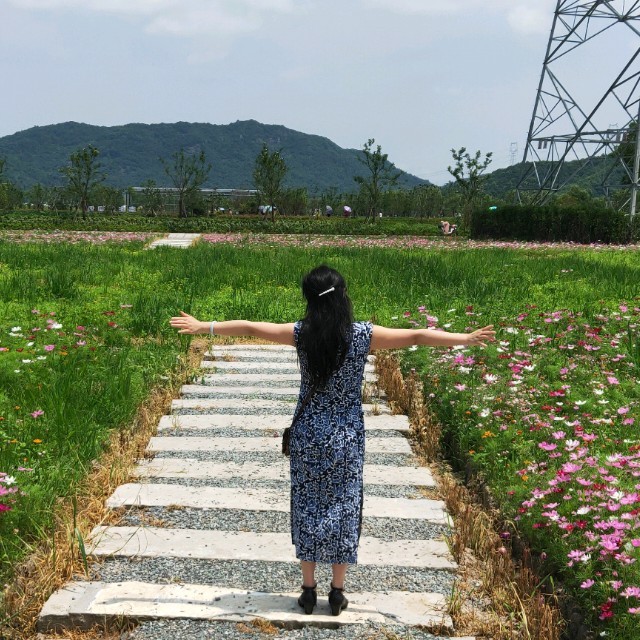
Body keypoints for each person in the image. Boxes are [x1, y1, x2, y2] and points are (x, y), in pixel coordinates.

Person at [169, 265, 494, 617]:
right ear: (343, 296)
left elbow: (251, 327)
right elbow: (416, 335)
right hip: (345, 436)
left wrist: (205, 326)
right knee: (344, 506)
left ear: (309, 299)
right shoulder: (361, 335)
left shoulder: (301, 333)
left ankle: (308, 591)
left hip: (308, 432)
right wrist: (465, 338)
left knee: (307, 504)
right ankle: (337, 592)